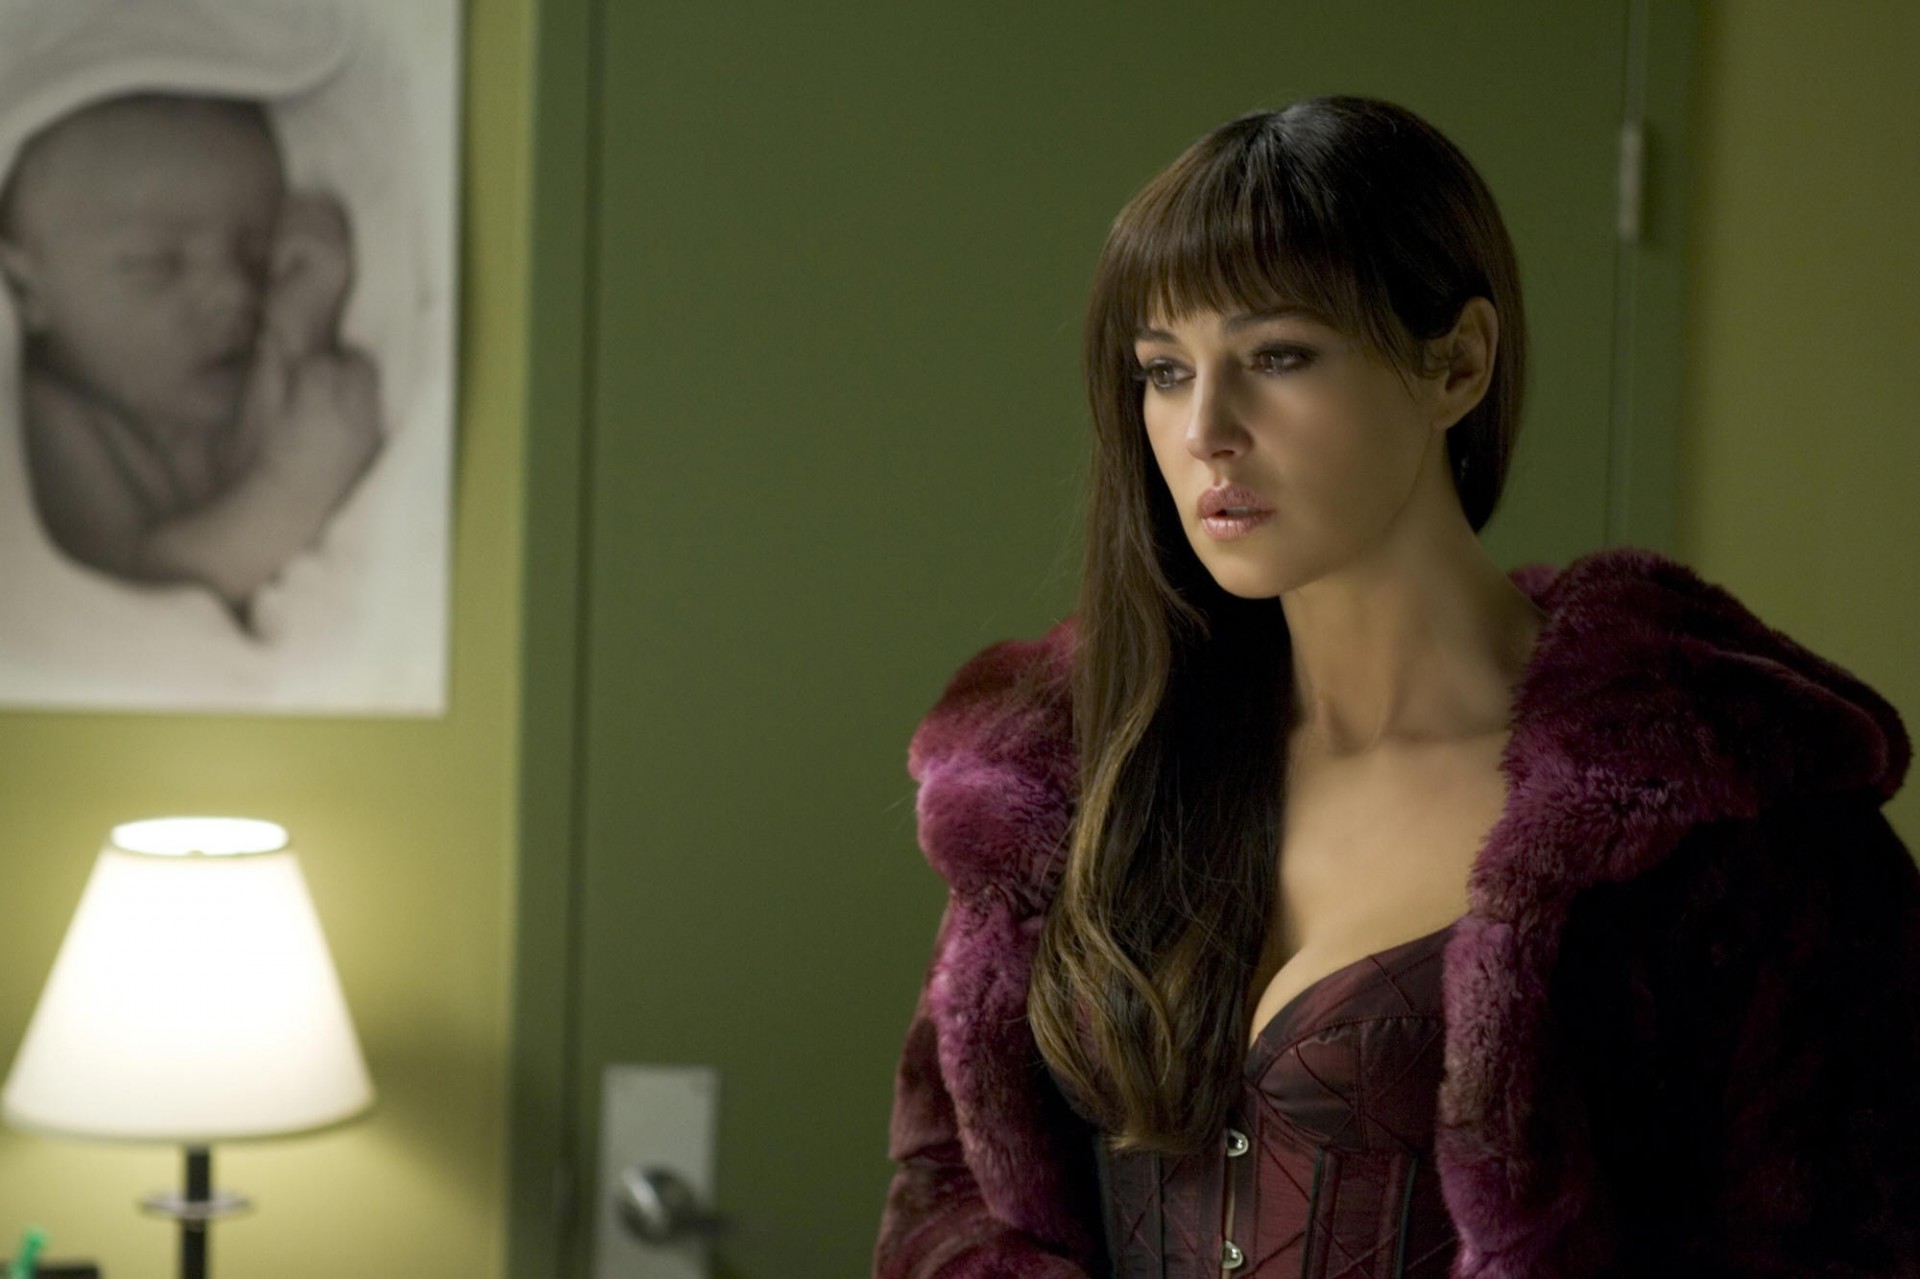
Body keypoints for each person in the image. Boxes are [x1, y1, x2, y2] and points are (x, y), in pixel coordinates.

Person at [874, 97, 1920, 1278]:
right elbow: (949, 1195)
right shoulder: (1071, 772)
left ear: (1457, 363)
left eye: (1277, 356)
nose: (1205, 428)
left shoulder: (1724, 817)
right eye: (1164, 371)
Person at [0, 91, 381, 636]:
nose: (235, 293)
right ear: (27, 290)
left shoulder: (192, 378)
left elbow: (250, 445)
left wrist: (300, 311)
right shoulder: (49, 418)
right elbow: (138, 588)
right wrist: (293, 490)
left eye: (256, 254)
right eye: (155, 265)